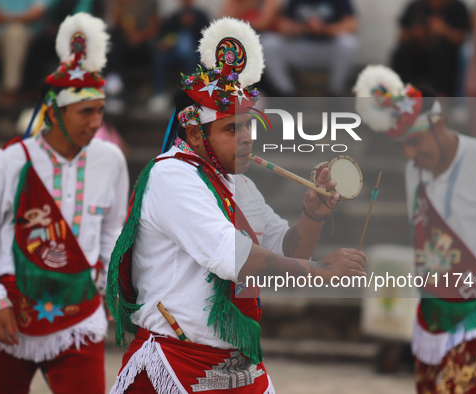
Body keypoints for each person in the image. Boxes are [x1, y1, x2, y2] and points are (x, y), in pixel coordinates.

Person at [107, 17, 366, 393]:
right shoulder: (170, 176)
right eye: (232, 129)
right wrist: (321, 270)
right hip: (176, 361)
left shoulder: (239, 184)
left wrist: (312, 215)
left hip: (237, 365)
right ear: (194, 133)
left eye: (248, 126)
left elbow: (283, 250)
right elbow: (231, 257)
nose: (246, 138)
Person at [0, 13, 129, 393]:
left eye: (101, 111)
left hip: (79, 313)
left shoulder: (110, 160)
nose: (97, 121)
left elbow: (113, 227)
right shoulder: (11, 160)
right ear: (54, 112)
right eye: (86, 111)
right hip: (12, 309)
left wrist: (103, 277)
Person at [354, 65, 476, 394]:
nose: (410, 154)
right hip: (435, 308)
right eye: (402, 146)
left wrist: (472, 281)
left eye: (414, 142)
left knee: (450, 390)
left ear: (438, 124)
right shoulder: (414, 172)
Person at [261, 0, 359, 97]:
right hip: (300, 48)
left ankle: (334, 93)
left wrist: (323, 28)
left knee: (348, 43)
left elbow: (351, 26)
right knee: (268, 42)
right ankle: (286, 93)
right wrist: (300, 28)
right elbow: (282, 25)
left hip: (328, 50)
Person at [391, 0, 470, 97]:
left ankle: (441, 96)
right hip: (417, 52)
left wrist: (443, 30)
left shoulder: (457, 7)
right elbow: (402, 36)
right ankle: (400, 92)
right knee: (401, 54)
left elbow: (461, 38)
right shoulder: (416, 6)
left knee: (443, 55)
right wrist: (414, 33)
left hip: (444, 57)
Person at [147, 0, 210, 114]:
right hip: (173, 53)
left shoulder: (201, 16)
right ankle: (160, 95)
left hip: (194, 53)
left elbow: (207, 36)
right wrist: (164, 44)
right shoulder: (174, 17)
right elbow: (164, 35)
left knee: (193, 59)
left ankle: (193, 96)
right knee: (159, 59)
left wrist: (193, 24)